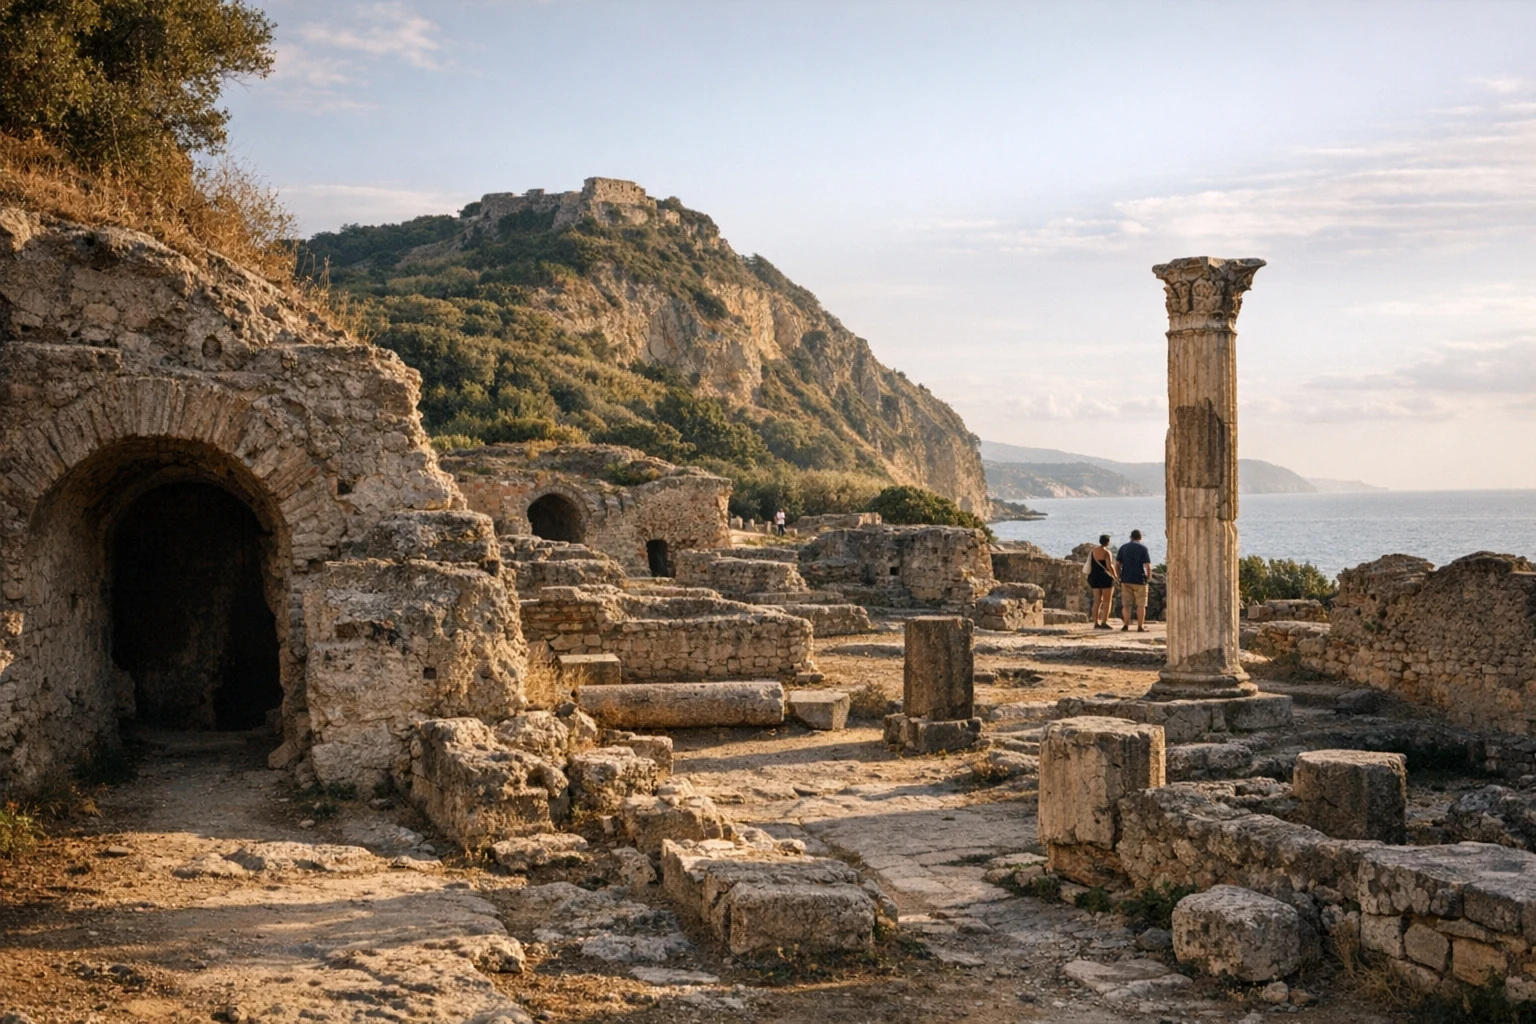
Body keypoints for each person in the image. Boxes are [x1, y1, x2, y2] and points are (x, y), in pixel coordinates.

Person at [1117, 528, 1153, 632]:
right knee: (1141, 605)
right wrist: (1148, 577)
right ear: (1140, 537)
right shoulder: (1143, 548)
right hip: (1139, 579)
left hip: (1126, 579)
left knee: (1126, 604)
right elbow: (1147, 566)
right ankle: (1140, 626)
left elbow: (1117, 564)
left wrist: (1119, 576)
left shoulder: (1123, 548)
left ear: (1131, 537)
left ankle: (1126, 625)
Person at [1086, 534, 1118, 629]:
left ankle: (1095, 622)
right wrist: (1115, 576)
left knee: (1097, 601)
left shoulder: (1093, 551)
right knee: (1107, 600)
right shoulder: (1106, 552)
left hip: (1093, 577)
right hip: (1104, 577)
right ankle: (1104, 621)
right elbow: (1109, 566)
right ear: (1107, 542)